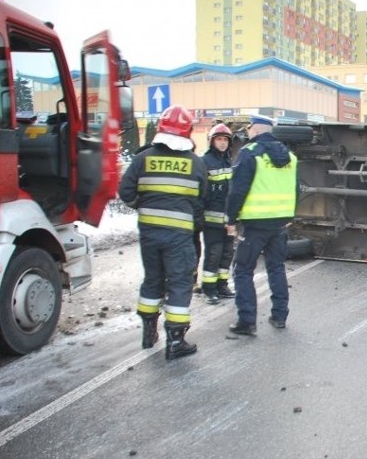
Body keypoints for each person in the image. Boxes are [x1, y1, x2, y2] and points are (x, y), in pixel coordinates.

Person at [118, 105, 207, 360]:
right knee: (179, 282)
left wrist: (144, 206)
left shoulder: (142, 158)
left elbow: (126, 192)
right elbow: (201, 199)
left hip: (149, 234)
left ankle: (149, 331)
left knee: (153, 279)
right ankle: (176, 341)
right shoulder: (195, 163)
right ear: (188, 132)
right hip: (179, 236)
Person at [225, 115, 298, 335]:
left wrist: (231, 220)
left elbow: (237, 190)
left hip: (255, 223)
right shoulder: (290, 157)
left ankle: (246, 321)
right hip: (280, 222)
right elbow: (295, 188)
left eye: (249, 129)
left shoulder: (250, 153)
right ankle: (279, 316)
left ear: (255, 130)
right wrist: (290, 214)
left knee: (243, 270)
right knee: (276, 267)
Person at [200, 123, 237, 305]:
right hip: (211, 219)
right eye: (219, 139)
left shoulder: (229, 161)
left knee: (228, 253)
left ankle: (222, 285)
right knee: (214, 253)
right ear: (212, 141)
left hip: (228, 219)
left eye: (225, 140)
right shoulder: (204, 162)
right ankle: (209, 288)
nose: (222, 143)